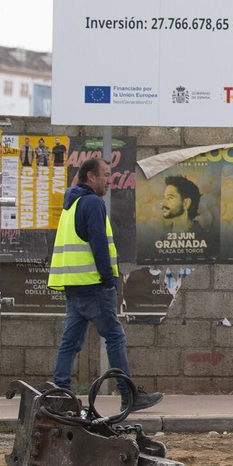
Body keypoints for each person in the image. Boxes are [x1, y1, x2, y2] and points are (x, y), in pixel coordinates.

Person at [47, 157, 162, 408]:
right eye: (106, 175)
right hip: (94, 285)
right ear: (90, 176)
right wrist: (109, 280)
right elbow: (98, 242)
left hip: (73, 286)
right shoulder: (92, 203)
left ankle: (60, 393)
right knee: (114, 338)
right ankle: (128, 395)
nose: (109, 181)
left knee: (70, 341)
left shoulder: (71, 204)